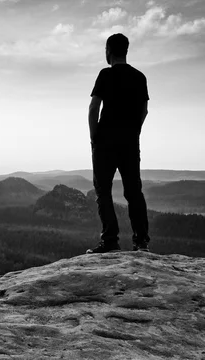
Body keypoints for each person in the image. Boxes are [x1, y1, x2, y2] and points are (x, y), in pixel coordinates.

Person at [86, 33, 150, 254]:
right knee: (134, 192)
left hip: (105, 142)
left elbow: (94, 108)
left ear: (108, 50)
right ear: (126, 50)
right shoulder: (139, 77)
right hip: (130, 142)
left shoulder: (105, 74)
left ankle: (110, 241)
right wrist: (135, 131)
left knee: (103, 191)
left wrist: (94, 138)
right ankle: (141, 242)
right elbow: (144, 110)